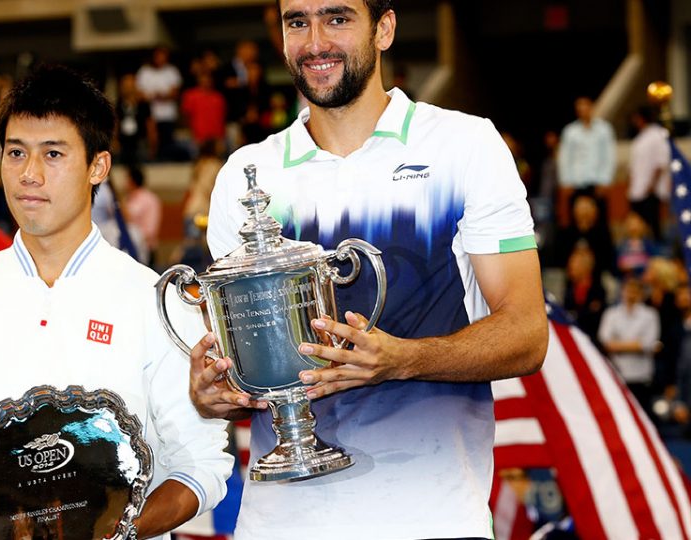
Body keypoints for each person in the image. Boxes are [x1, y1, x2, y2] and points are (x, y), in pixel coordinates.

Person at [191, 1, 548, 538]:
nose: (314, 42)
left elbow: (526, 333)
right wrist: (214, 394)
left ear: (383, 29)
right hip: (280, 522)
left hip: (432, 516)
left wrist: (403, 359)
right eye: (297, 22)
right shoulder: (245, 174)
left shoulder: (465, 146)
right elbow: (243, 370)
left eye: (337, 18)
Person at [0, 65, 232, 539]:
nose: (29, 174)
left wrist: (111, 532)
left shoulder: (157, 303)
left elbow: (200, 461)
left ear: (97, 166)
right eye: (16, 153)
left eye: (53, 154)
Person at [598, 278, 660, 413]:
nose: (631, 294)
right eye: (628, 290)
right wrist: (635, 344)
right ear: (622, 292)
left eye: (634, 291)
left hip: (641, 378)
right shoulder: (611, 314)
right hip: (616, 375)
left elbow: (647, 344)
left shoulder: (650, 315)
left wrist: (618, 344)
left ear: (641, 294)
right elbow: (605, 341)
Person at [556, 96, 616, 225]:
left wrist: (605, 180)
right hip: (576, 184)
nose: (583, 110)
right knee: (576, 222)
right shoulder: (570, 131)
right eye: (579, 108)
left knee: (600, 222)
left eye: (585, 107)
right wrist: (566, 181)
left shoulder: (604, 129)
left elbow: (608, 156)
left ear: (591, 108)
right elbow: (565, 157)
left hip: (597, 183)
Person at [627, 106, 671, 241]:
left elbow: (661, 162)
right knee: (638, 225)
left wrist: (651, 185)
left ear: (642, 119)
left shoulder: (658, 135)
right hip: (638, 189)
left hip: (651, 190)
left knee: (653, 226)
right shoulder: (640, 137)